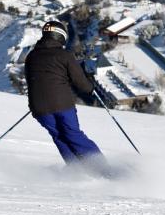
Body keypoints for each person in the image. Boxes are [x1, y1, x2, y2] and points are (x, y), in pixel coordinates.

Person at [25, 20, 108, 173]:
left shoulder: (31, 56)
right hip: (62, 105)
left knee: (59, 136)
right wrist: (91, 90)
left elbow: (32, 81)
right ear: (60, 37)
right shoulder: (64, 55)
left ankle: (77, 172)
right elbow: (79, 81)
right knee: (73, 134)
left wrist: (36, 103)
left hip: (40, 108)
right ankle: (103, 169)